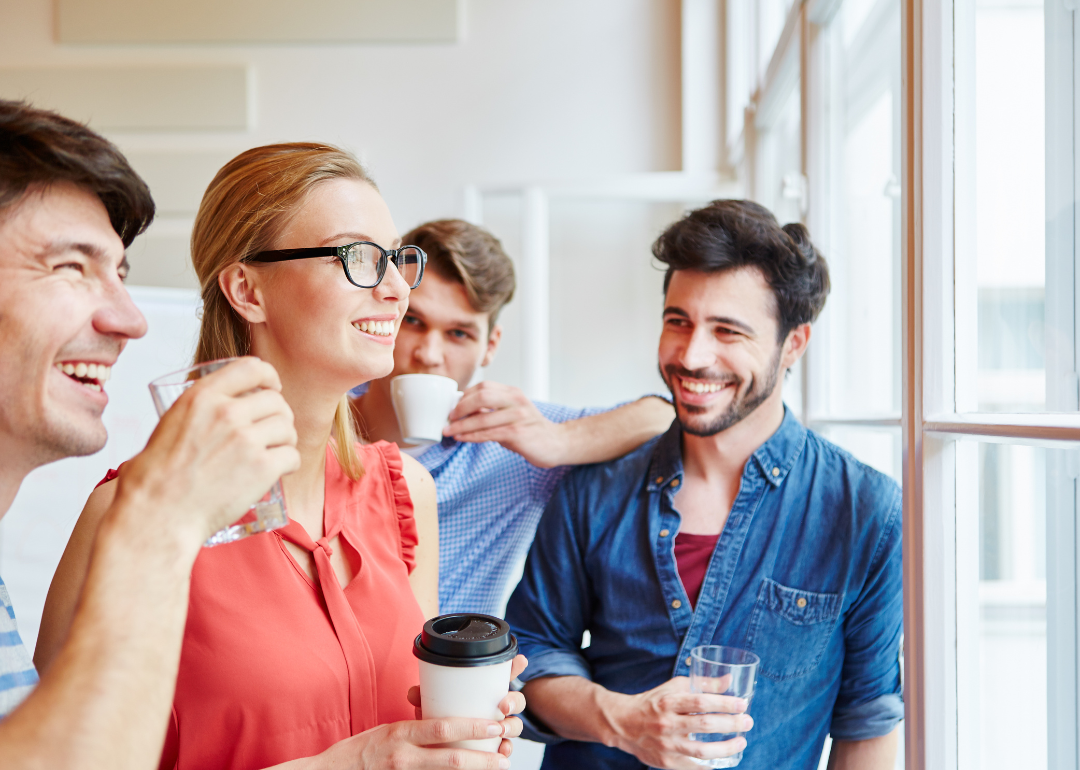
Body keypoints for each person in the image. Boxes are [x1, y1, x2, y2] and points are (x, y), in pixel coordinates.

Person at [37, 144, 525, 770]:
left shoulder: (407, 491)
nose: (398, 288)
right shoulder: (132, 513)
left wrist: (454, 729)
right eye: (359, 257)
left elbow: (410, 718)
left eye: (399, 260)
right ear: (248, 289)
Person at [505, 200, 903, 770]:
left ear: (794, 344)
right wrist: (625, 723)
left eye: (727, 331)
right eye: (678, 321)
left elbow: (867, 721)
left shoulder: (863, 510)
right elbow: (533, 653)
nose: (692, 355)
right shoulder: (594, 489)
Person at [0, 101, 303, 768]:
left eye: (120, 273)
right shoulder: (134, 509)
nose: (132, 320)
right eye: (71, 267)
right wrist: (164, 518)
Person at [352, 219, 675, 616]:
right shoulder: (322, 416)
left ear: (490, 346)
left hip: (449, 672)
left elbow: (664, 415)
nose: (429, 354)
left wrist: (559, 442)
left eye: (459, 334)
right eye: (413, 321)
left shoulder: (508, 438)